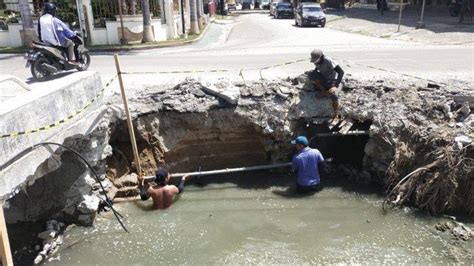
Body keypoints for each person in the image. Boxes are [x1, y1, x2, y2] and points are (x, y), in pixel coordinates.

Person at [308, 49, 345, 121]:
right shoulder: (316, 62)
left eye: (317, 60)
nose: (316, 62)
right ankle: (324, 91)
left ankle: (336, 113)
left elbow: (341, 72)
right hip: (325, 79)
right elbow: (318, 69)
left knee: (333, 94)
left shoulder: (329, 61)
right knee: (311, 75)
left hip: (335, 81)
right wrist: (316, 77)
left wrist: (335, 86)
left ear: (321, 57)